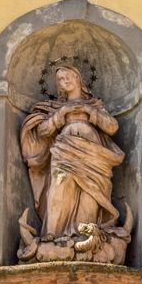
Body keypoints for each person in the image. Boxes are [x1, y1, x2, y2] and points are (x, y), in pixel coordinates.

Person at [20, 64, 124, 240]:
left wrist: (89, 110)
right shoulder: (56, 107)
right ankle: (52, 233)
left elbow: (112, 127)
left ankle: (84, 235)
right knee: (60, 184)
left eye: (68, 76)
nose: (65, 80)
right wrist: (63, 112)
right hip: (64, 149)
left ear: (78, 79)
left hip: (93, 153)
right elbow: (43, 131)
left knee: (91, 190)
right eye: (60, 79)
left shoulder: (94, 104)